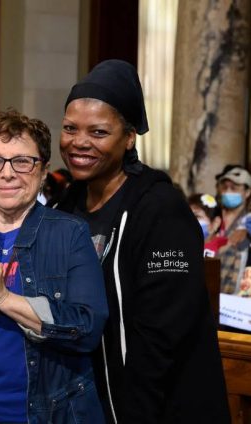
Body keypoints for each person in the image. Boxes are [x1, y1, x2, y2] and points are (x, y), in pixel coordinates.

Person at [57, 59, 230, 423]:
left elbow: (162, 338)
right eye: (70, 128)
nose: (80, 142)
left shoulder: (160, 209)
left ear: (129, 136)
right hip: (90, 403)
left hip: (157, 408)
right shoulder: (66, 204)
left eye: (98, 132)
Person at [0, 109, 108, 423]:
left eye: (22, 161)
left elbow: (86, 327)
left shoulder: (69, 233)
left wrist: (5, 298)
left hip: (49, 413)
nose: (6, 173)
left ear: (44, 170)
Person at [213, 165, 251, 294]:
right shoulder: (213, 218)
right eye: (224, 187)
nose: (228, 191)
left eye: (234, 188)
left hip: (235, 293)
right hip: (209, 289)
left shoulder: (248, 222)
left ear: (247, 192)